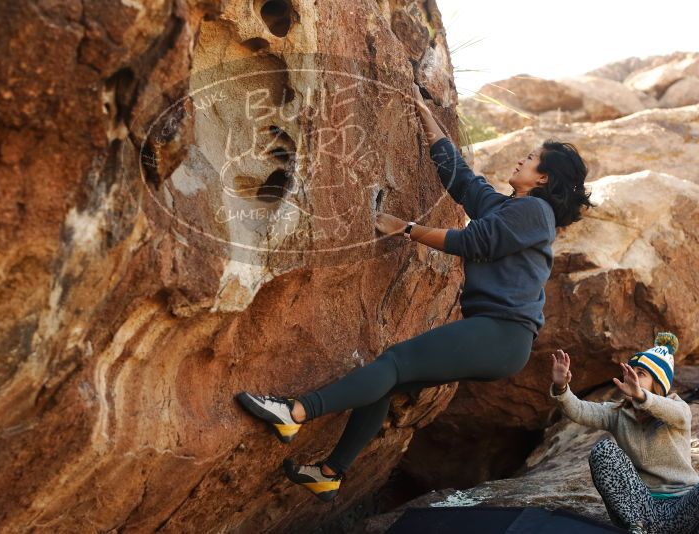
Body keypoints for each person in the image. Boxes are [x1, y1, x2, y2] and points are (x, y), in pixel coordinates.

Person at [236, 84, 592, 502]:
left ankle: (294, 412)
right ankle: (330, 473)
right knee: (387, 382)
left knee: (393, 362)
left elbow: (473, 242)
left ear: (543, 177)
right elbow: (460, 178)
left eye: (530, 159)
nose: (521, 159)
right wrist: (423, 112)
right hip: (496, 334)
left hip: (503, 333)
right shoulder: (506, 207)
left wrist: (403, 228)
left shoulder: (536, 211)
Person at [550, 334, 699, 534]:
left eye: (641, 373)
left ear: (658, 384)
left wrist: (641, 396)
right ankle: (638, 529)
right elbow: (579, 410)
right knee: (603, 451)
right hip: (642, 511)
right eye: (631, 371)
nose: (632, 377)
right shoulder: (617, 414)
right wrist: (562, 388)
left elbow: (678, 414)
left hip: (683, 509)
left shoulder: (677, 408)